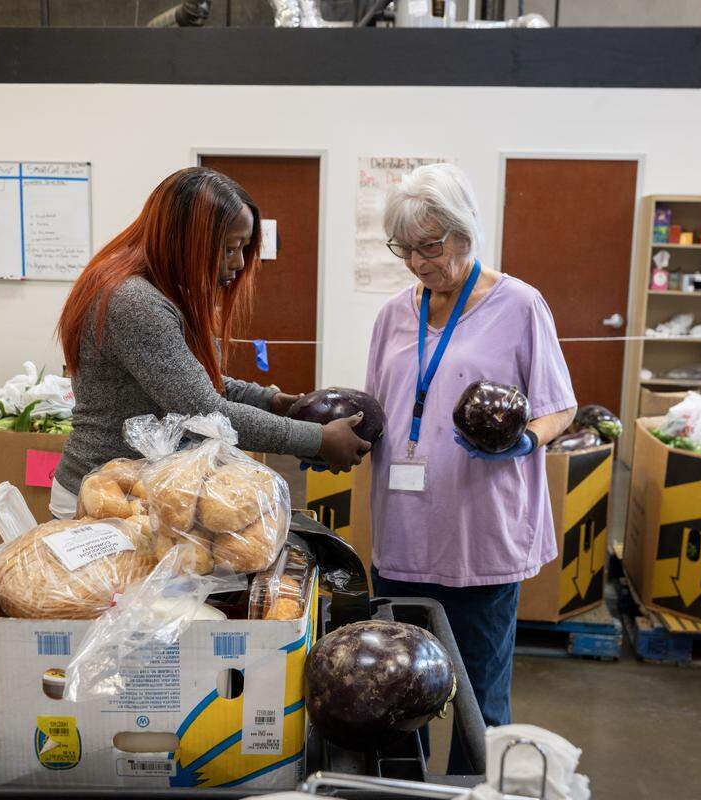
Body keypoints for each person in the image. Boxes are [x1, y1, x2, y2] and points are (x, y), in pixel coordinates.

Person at [364, 163, 576, 770]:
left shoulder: (520, 305)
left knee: (479, 699)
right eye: (404, 249)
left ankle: (473, 789)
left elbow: (559, 407)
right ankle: (404, 788)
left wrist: (525, 442)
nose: (417, 262)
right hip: (404, 535)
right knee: (394, 693)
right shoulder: (392, 317)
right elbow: (382, 409)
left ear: (464, 233)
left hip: (481, 537)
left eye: (429, 246)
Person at [51, 167, 369, 518]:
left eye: (244, 248)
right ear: (184, 241)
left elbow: (200, 385)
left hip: (143, 492)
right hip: (104, 497)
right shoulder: (135, 301)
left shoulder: (164, 293)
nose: (239, 262)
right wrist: (319, 439)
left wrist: (272, 401)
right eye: (229, 248)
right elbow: (204, 410)